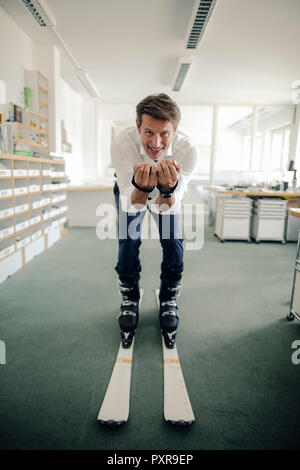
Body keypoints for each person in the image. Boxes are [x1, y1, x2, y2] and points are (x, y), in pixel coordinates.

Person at [111, 93, 199, 349]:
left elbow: (166, 207)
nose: (156, 142)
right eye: (148, 132)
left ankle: (169, 295)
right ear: (138, 126)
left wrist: (168, 190)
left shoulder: (188, 151)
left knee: (173, 241)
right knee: (128, 239)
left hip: (167, 192)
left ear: (175, 130)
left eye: (164, 134)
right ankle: (129, 294)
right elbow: (131, 202)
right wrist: (141, 186)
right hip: (132, 189)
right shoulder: (122, 144)